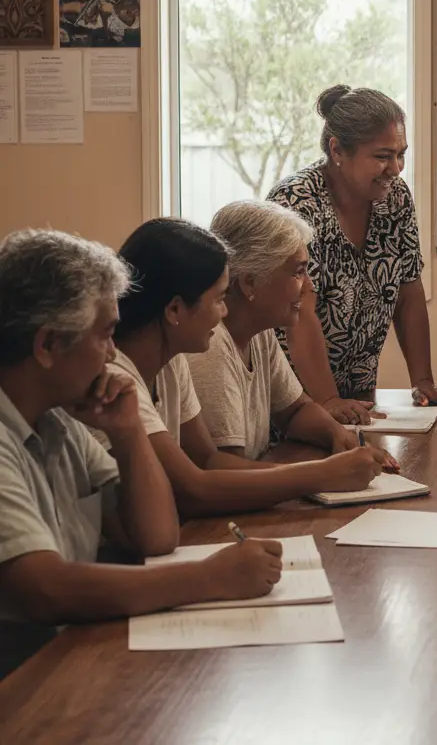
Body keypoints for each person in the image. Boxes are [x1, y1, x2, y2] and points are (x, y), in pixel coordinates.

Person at [0, 230, 283, 679]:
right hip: (23, 683)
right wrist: (208, 579)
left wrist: (130, 431)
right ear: (49, 346)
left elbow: (155, 536)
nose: (114, 353)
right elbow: (44, 588)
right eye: (106, 335)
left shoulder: (61, 423)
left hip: (68, 659)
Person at [110, 217, 390, 517]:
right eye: (218, 299)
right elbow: (194, 488)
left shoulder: (170, 359)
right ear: (175, 310)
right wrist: (322, 474)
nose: (224, 311)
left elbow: (207, 460)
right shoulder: (117, 381)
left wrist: (332, 452)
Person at [269, 85, 437, 425]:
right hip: (294, 398)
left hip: (359, 394)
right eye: (382, 156)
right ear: (337, 150)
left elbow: (409, 290)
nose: (396, 168)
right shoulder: (296, 202)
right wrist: (328, 399)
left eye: (400, 154)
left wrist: (423, 382)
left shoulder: (395, 197)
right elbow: (301, 310)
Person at [185, 200, 401, 465]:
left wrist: (341, 439)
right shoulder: (211, 342)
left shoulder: (258, 331)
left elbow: (295, 410)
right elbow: (227, 470)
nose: (308, 286)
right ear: (249, 282)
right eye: (298, 272)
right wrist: (326, 473)